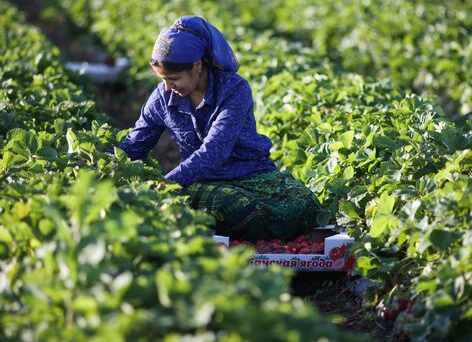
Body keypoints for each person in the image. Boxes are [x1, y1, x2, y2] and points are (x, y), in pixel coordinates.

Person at [112, 15, 320, 242]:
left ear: (197, 66)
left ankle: (233, 230)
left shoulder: (234, 90)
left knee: (305, 202)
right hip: (207, 182)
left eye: (174, 79)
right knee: (229, 207)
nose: (168, 87)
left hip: (255, 175)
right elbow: (135, 144)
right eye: (163, 80)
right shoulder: (163, 97)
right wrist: (101, 166)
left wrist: (167, 184)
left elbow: (214, 150)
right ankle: (248, 230)